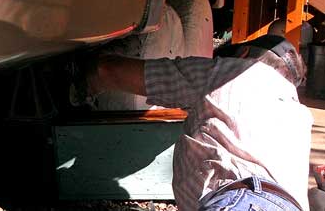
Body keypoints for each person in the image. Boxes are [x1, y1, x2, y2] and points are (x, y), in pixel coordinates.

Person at [76, 34, 313, 211]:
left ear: (242, 55)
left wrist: (76, 77)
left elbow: (109, 71)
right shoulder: (299, 116)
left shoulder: (234, 71)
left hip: (245, 202)